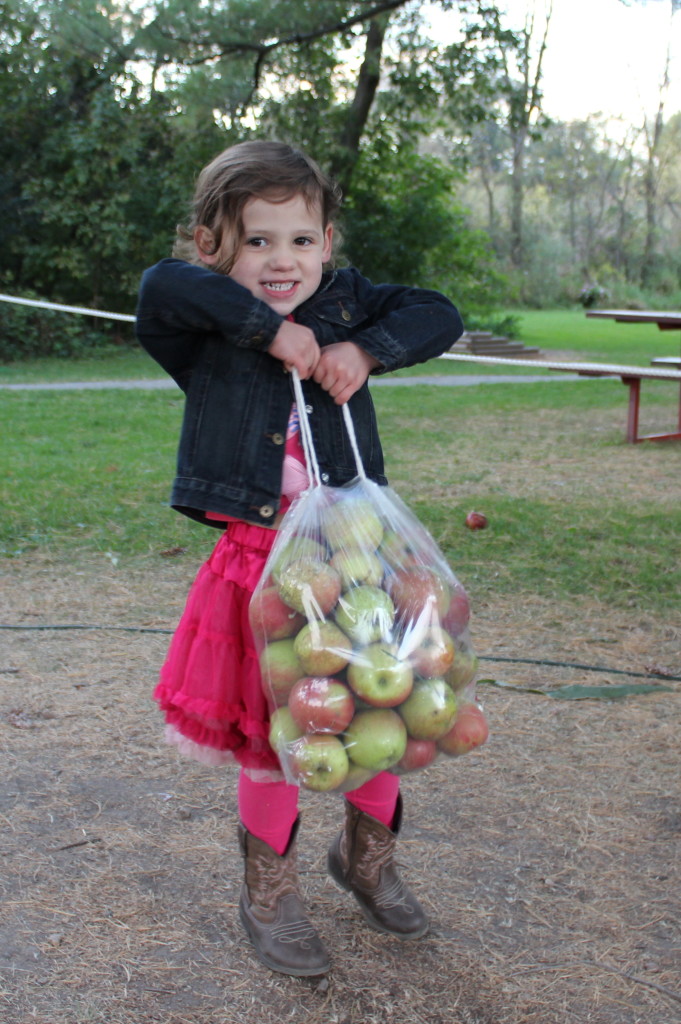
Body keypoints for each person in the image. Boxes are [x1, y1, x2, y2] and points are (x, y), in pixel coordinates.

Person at [135, 139, 464, 978]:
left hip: (362, 563)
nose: (282, 260)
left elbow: (438, 312)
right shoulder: (204, 325)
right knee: (276, 732)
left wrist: (363, 350)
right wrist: (269, 331)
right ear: (213, 244)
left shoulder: (351, 304)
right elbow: (160, 287)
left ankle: (365, 860)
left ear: (328, 244)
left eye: (302, 240)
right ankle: (268, 894)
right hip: (263, 567)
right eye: (256, 241)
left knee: (374, 721)